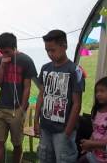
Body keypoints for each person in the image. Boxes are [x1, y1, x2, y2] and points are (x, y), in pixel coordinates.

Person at [34, 30, 85, 163]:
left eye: (53, 50)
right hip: (45, 127)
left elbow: (77, 103)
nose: (50, 54)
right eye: (47, 50)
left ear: (64, 46)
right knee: (44, 158)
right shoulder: (45, 68)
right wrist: (36, 121)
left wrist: (67, 131)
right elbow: (41, 95)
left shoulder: (75, 71)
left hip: (63, 130)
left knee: (64, 159)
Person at [0, 33, 37, 163]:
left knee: (17, 144)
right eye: (1, 51)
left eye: (6, 51)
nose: (4, 54)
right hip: (1, 108)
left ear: (14, 47)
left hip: (16, 109)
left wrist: (22, 109)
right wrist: (2, 66)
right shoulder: (0, 60)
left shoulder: (26, 60)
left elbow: (27, 87)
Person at [78, 77, 107, 163]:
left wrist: (91, 144)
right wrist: (88, 143)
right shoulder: (97, 111)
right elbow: (95, 131)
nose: (98, 94)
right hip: (94, 155)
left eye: (102, 91)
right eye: (97, 92)